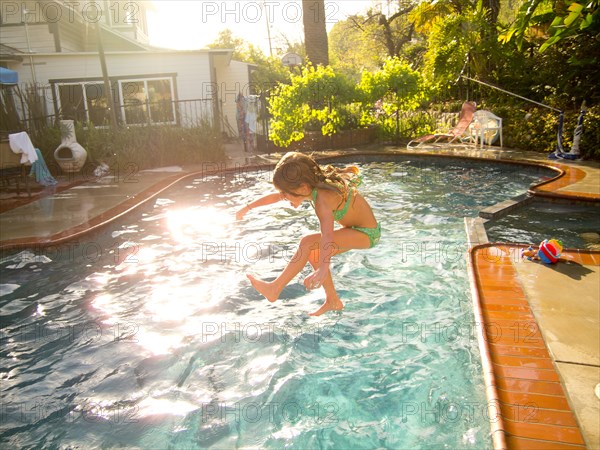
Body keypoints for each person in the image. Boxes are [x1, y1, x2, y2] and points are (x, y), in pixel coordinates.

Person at [236, 152, 381, 316]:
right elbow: (275, 197)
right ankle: (333, 300)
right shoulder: (312, 187)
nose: (284, 198)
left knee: (307, 243)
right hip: (356, 230)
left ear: (303, 187)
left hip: (367, 233)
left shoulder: (322, 201)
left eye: (286, 194)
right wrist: (247, 208)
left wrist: (324, 268)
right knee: (313, 253)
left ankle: (274, 289)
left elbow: (327, 235)